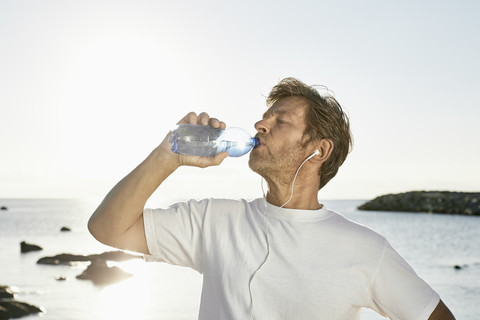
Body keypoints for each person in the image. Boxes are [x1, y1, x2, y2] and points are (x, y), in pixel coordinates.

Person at [88, 78, 455, 319]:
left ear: (319, 150)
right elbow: (107, 228)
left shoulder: (365, 250)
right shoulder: (214, 222)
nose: (261, 125)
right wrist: (167, 154)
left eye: (281, 120)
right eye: (265, 117)